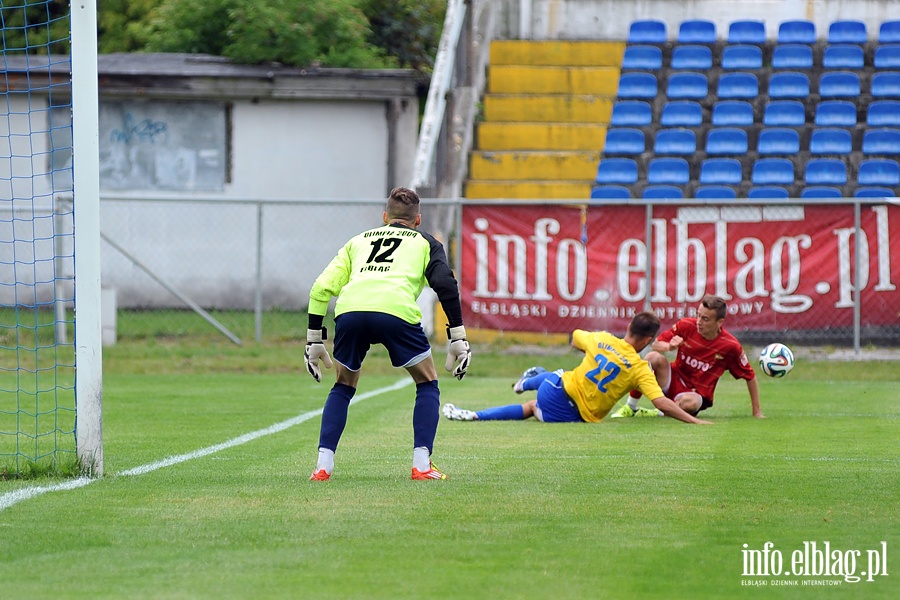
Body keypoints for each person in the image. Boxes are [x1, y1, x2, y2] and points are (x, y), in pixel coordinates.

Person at [305, 187, 471, 481]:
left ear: (384, 217)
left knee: (343, 385)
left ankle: (322, 466)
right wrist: (457, 336)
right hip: (395, 312)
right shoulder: (426, 242)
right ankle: (421, 465)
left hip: (351, 311)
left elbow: (320, 287)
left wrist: (314, 338)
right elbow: (446, 284)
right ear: (418, 220)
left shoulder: (358, 241)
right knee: (428, 381)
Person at [441, 312, 711, 425]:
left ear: (628, 327)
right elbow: (662, 403)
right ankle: (478, 413)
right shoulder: (640, 369)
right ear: (648, 340)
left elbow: (574, 337)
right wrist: (695, 420)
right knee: (534, 407)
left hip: (556, 392)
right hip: (574, 417)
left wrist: (588, 349)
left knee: (557, 376)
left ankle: (521, 384)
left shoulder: (602, 339)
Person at [610, 294, 763, 420]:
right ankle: (630, 407)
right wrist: (669, 347)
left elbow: (749, 376)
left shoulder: (730, 346)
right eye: (698, 316)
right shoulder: (686, 326)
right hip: (673, 379)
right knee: (652, 358)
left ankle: (661, 412)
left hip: (696, 394)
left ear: (720, 322)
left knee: (691, 403)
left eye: (705, 319)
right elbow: (656, 344)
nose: (699, 322)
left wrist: (757, 412)